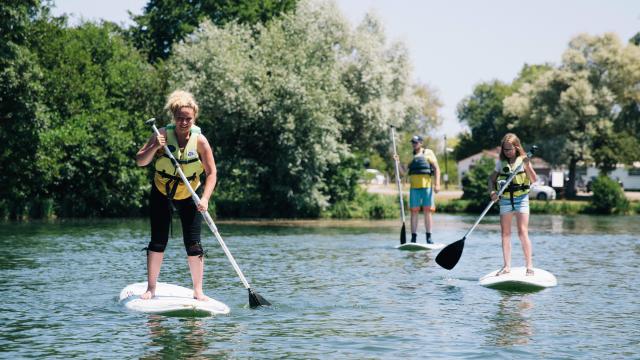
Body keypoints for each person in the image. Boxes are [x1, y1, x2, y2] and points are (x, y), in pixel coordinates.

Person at [135, 90, 217, 301]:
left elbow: (212, 173)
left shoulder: (201, 142)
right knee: (158, 241)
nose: (183, 122)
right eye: (180, 118)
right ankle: (151, 288)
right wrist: (155, 146)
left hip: (190, 193)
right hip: (162, 190)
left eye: (188, 118)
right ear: (174, 117)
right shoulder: (160, 133)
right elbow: (140, 161)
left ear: (194, 118)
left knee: (194, 244)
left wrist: (205, 198)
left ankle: (198, 291)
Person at [488, 133, 537, 276]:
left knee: (522, 232)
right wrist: (492, 193)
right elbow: (491, 180)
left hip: (521, 199)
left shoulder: (524, 160)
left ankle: (529, 266)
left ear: (516, 147)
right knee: (505, 234)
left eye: (509, 149)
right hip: (504, 201)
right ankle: (506, 266)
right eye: (505, 150)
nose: (507, 152)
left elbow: (533, 179)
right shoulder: (500, 164)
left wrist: (527, 165)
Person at [407, 135, 440, 243]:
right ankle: (413, 238)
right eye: (412, 142)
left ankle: (429, 237)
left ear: (421, 143)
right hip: (414, 188)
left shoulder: (428, 152)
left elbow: (436, 169)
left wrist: (437, 184)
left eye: (416, 142)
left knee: (427, 211)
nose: (414, 144)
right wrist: (396, 163)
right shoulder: (410, 156)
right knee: (414, 212)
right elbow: (403, 173)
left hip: (427, 187)